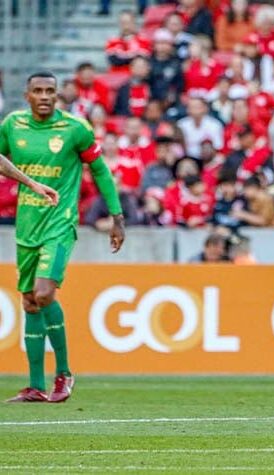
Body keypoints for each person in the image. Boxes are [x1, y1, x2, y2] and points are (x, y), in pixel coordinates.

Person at [0, 72, 125, 403]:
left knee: (43, 293)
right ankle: (36, 385)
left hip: (60, 222)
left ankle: (65, 373)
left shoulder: (74, 128)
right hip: (26, 225)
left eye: (50, 91)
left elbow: (99, 169)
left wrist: (117, 216)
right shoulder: (13, 125)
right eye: (38, 90)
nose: (44, 96)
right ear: (27, 95)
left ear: (58, 96)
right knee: (28, 301)